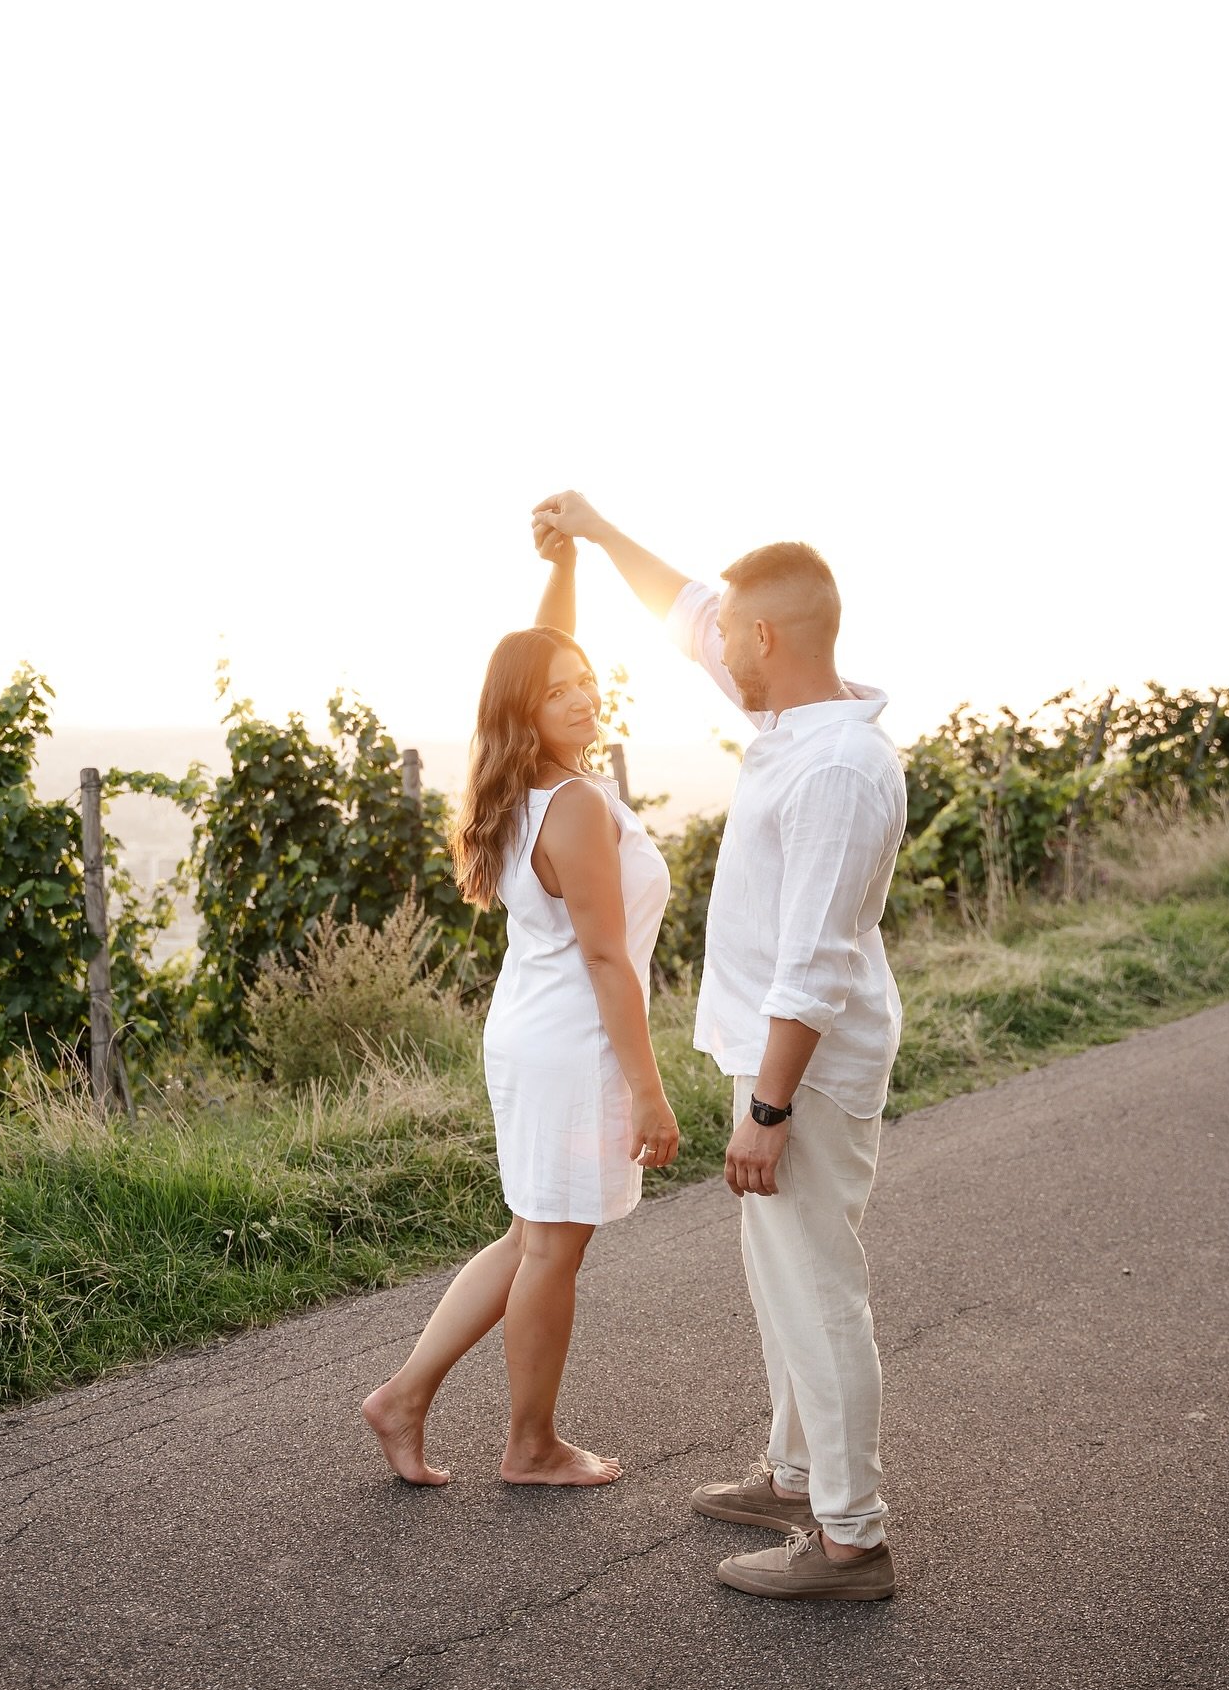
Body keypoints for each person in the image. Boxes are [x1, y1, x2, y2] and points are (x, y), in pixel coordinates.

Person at [532, 490, 907, 1599]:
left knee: (819, 1287)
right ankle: (797, 1475)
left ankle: (851, 1538)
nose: (714, 644)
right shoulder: (789, 723)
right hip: (775, 1060)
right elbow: (688, 606)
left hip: (808, 1073)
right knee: (785, 1278)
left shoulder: (839, 768)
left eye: (732, 634)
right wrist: (597, 535)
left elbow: (819, 961)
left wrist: (770, 1107)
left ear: (770, 640)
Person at [361, 526, 677, 1488]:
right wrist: (651, 1091)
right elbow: (609, 960)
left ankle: (403, 1397)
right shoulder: (574, 804)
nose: (582, 695)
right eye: (560, 691)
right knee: (551, 1251)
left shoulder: (514, 789)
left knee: (531, 1237)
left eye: (587, 679)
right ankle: (531, 1445)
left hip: (531, 1032)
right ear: (523, 712)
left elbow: (533, 665)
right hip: (575, 1043)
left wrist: (565, 569)